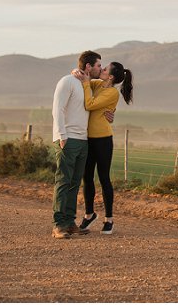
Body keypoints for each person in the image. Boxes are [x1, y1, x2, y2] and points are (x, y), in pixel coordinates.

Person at [72, 61, 134, 235]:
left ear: (111, 76)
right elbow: (82, 79)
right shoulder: (97, 84)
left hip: (103, 140)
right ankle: (89, 214)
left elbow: (90, 104)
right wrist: (77, 72)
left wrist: (85, 85)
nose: (102, 70)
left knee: (104, 178)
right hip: (88, 139)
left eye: (105, 69)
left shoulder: (112, 93)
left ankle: (109, 219)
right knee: (87, 178)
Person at [51, 50, 103, 239]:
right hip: (67, 138)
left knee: (74, 183)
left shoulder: (88, 84)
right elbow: (58, 109)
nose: (100, 68)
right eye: (98, 65)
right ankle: (58, 225)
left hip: (83, 140)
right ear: (88, 66)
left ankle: (69, 222)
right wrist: (62, 135)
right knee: (63, 181)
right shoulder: (67, 81)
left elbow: (109, 85)